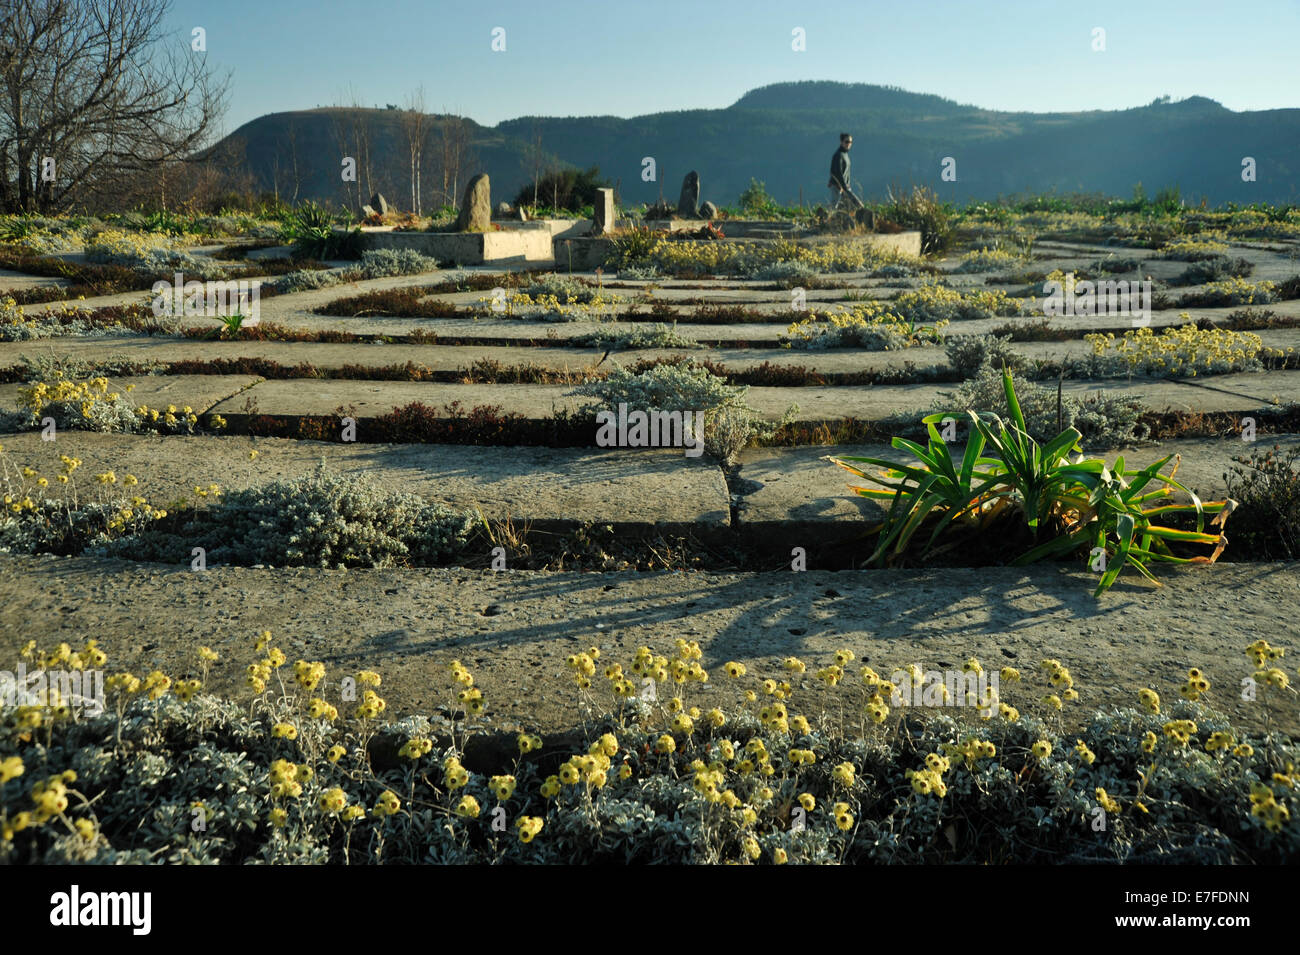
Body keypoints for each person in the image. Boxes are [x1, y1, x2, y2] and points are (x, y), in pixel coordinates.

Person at [828, 133, 864, 211]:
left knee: (843, 208)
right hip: (837, 187)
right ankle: (827, 222)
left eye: (850, 142)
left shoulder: (845, 154)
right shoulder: (838, 155)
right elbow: (837, 172)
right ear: (841, 142)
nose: (849, 144)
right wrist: (843, 187)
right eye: (846, 142)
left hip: (844, 186)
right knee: (834, 207)